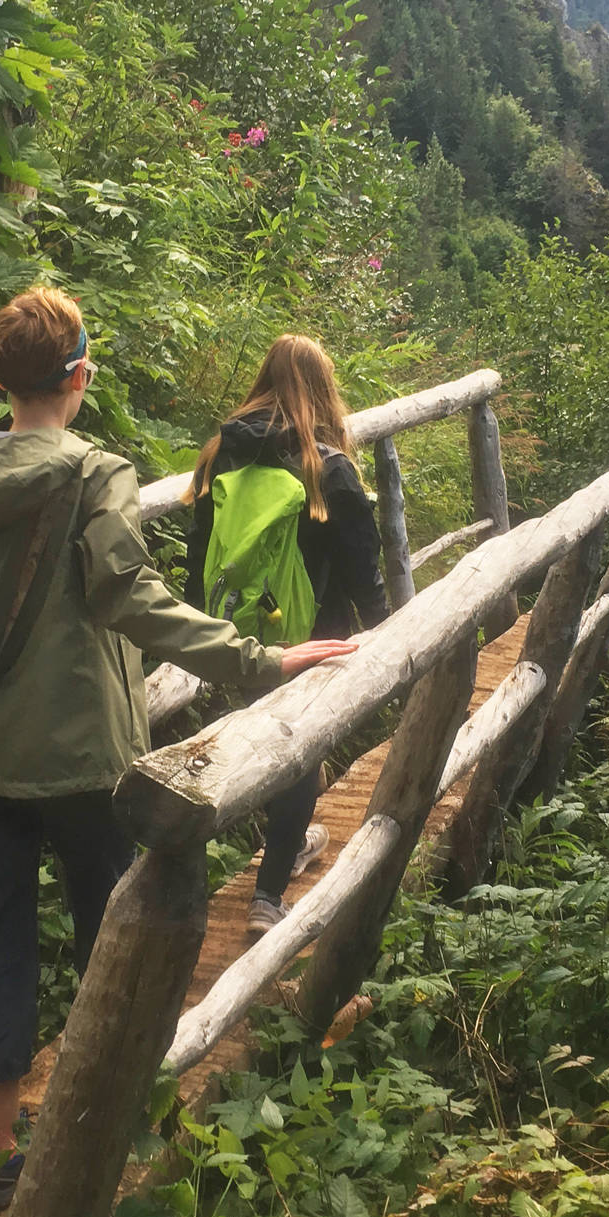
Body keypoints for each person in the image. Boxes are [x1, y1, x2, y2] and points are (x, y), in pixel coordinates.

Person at [0, 289, 355, 1212]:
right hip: (91, 760)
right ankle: (114, 1113)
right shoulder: (96, 475)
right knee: (112, 930)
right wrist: (259, 658)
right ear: (81, 377)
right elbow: (131, 597)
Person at [186, 335, 388, 938]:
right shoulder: (327, 467)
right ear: (324, 389)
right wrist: (388, 630)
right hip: (314, 633)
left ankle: (282, 845)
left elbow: (202, 551)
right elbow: (362, 566)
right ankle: (268, 896)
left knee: (262, 738)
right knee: (299, 752)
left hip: (235, 628)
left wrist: (205, 623)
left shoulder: (221, 453)